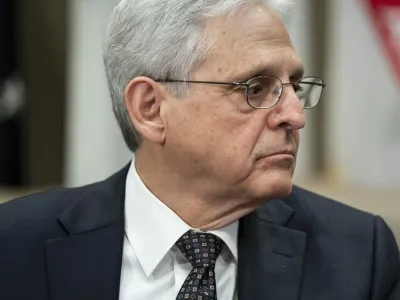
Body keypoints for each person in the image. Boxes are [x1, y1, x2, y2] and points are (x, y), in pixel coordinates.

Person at [1, 0, 399, 299]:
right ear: (151, 109)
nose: (294, 116)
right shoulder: (15, 246)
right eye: (255, 88)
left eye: (294, 86)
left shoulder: (358, 256)